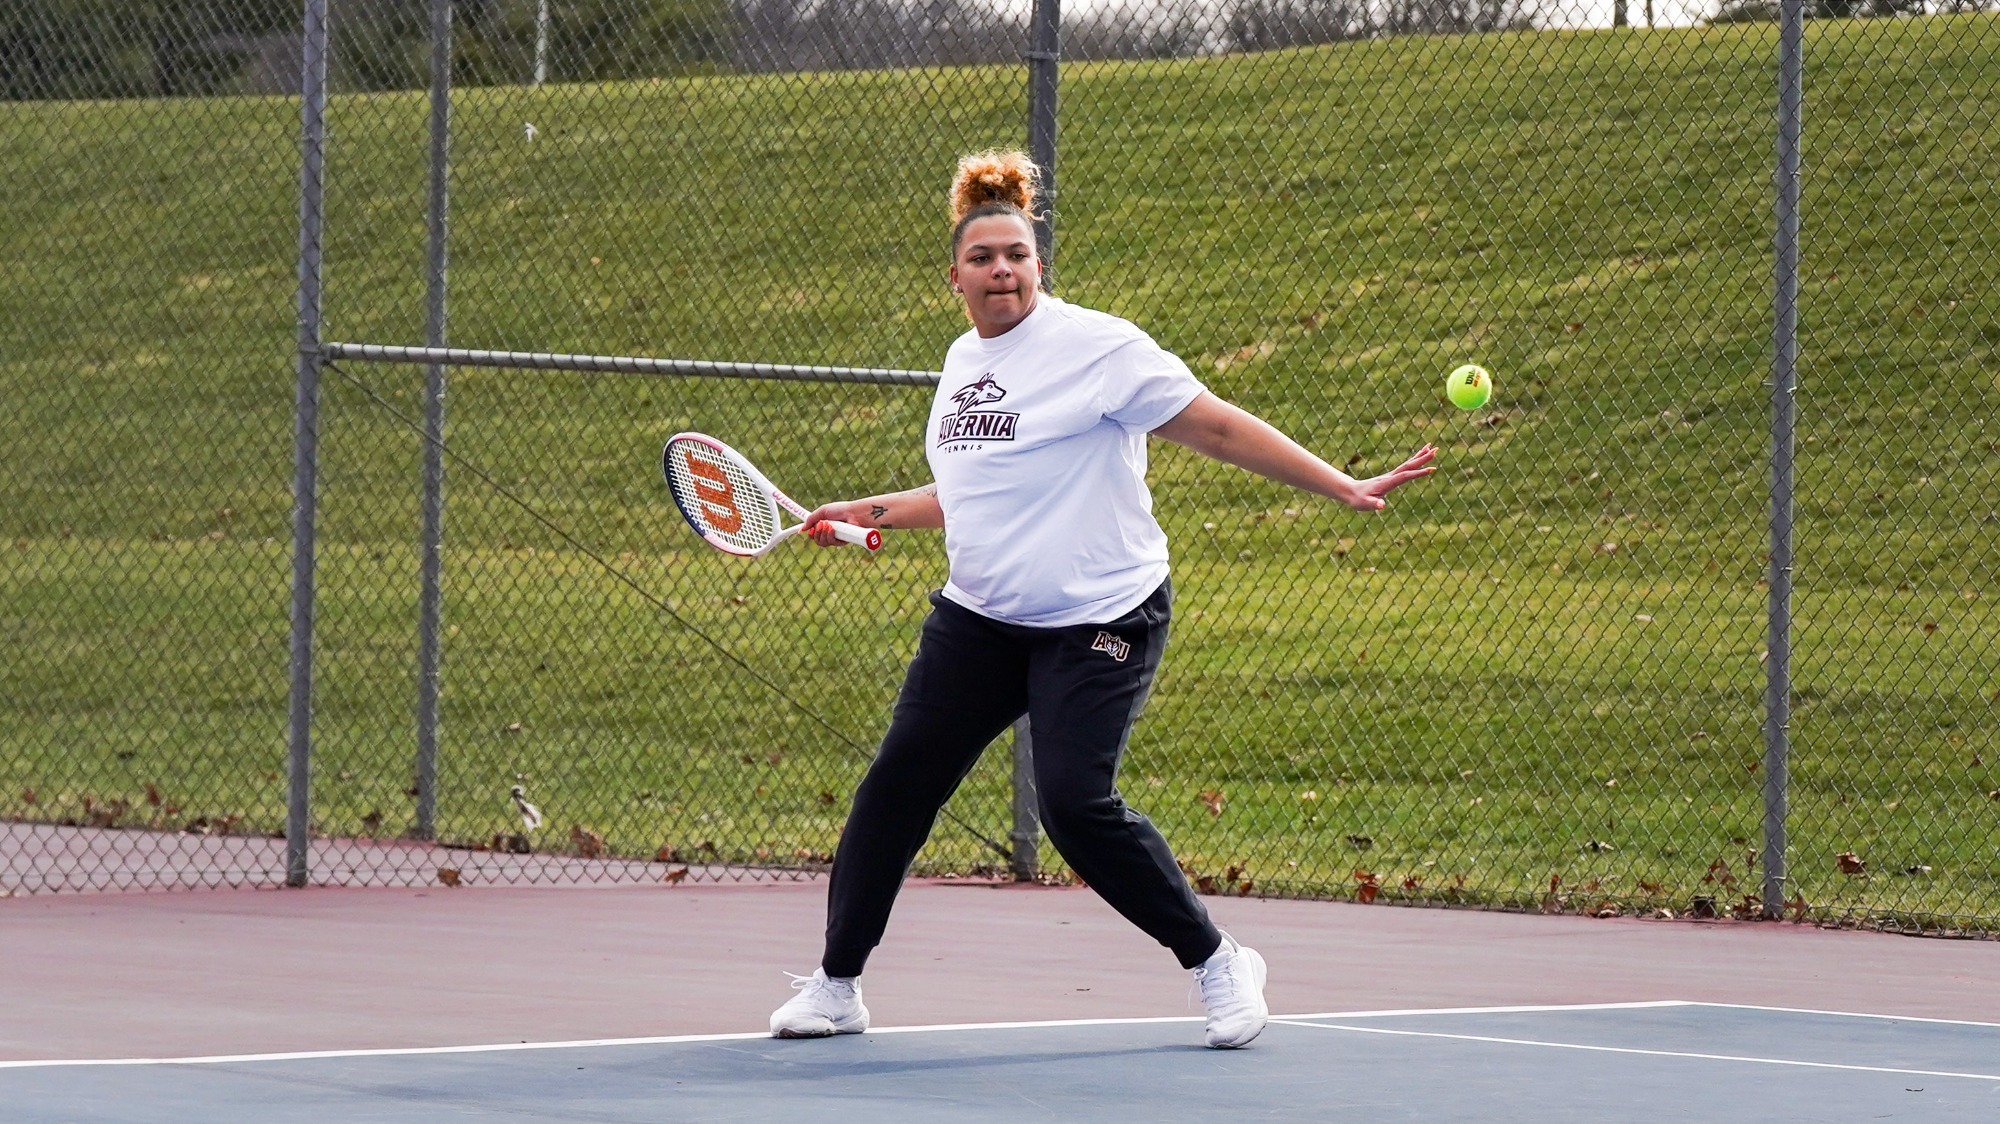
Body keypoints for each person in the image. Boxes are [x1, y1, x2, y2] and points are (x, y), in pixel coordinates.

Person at [768, 149, 1436, 1049]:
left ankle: (1217, 961)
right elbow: (971, 493)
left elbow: (1217, 424)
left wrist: (1341, 484)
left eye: (1017, 254)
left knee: (1075, 804)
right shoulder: (963, 362)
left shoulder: (1098, 349)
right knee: (896, 785)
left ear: (1039, 265)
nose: (1002, 269)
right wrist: (869, 508)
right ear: (954, 275)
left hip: (1101, 615)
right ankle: (837, 986)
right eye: (983, 257)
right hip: (983, 617)